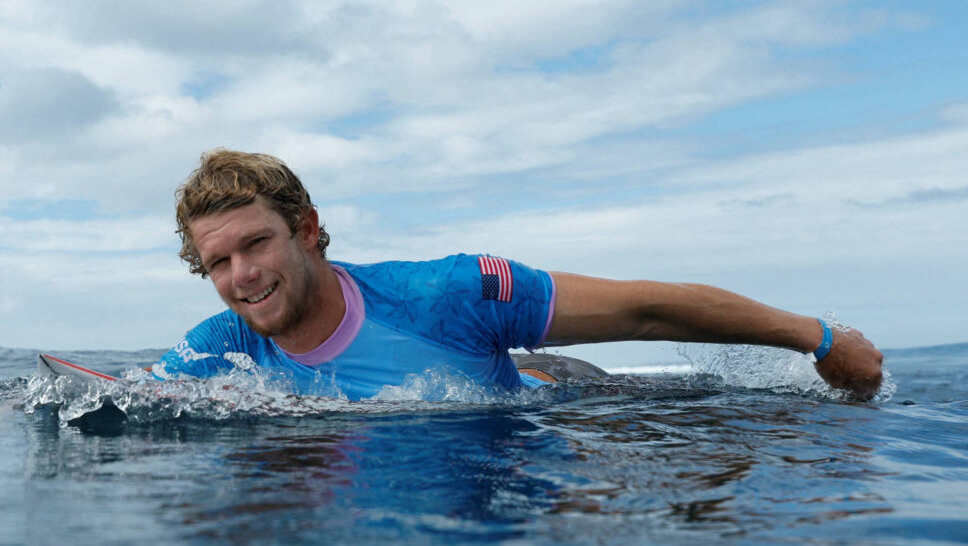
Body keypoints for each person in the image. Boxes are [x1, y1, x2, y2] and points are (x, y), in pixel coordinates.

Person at [151, 149, 883, 400]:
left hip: (563, 398)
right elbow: (119, 400)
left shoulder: (448, 293)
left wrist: (818, 338)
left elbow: (644, 312)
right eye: (218, 262)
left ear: (306, 230)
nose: (242, 274)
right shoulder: (224, 344)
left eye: (256, 244)